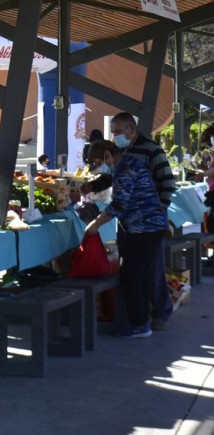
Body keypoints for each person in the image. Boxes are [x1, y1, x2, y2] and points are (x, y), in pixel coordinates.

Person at [81, 112, 176, 330]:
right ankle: (137, 318)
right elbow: (110, 177)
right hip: (130, 224)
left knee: (148, 270)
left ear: (131, 129)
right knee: (132, 271)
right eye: (112, 132)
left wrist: (154, 210)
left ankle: (157, 314)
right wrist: (92, 186)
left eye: (118, 131)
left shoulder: (151, 150)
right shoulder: (120, 154)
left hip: (146, 224)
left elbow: (167, 182)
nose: (115, 136)